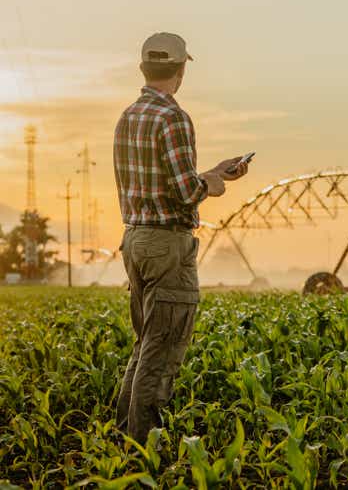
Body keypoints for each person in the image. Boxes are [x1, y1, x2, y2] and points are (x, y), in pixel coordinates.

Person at [112, 32, 249, 444]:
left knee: (145, 344)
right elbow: (185, 193)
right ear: (180, 69)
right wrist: (212, 184)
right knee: (164, 347)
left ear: (143, 68)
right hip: (167, 244)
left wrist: (208, 172)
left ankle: (123, 440)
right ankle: (144, 450)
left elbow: (161, 182)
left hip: (135, 239)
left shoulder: (129, 116)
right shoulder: (173, 117)